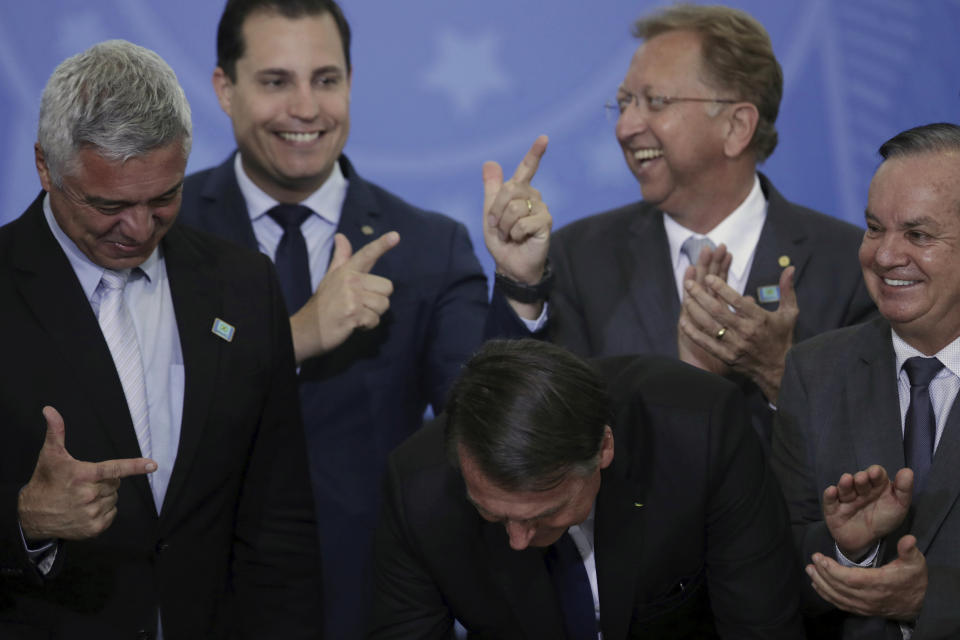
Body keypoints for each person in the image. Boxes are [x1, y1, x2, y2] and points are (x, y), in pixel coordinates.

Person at [177, 1, 550, 636]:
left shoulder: (429, 246)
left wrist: (518, 283)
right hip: (200, 600)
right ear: (224, 89)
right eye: (275, 81)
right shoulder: (166, 231)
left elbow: (485, 418)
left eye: (327, 80)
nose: (306, 108)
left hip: (376, 604)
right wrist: (295, 336)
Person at [0, 40, 322, 638]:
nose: (140, 229)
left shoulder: (244, 285)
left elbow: (279, 522)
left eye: (163, 198)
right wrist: (24, 519)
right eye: (109, 204)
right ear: (46, 168)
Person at [521, 4, 874, 442]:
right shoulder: (579, 256)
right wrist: (519, 282)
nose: (626, 127)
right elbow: (546, 434)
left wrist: (778, 372)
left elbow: (876, 444)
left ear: (736, 126)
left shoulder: (849, 265)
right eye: (625, 102)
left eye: (655, 102)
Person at [371, 339, 804, 639]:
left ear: (604, 447)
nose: (518, 540)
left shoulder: (699, 431)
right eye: (496, 515)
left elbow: (760, 627)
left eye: (543, 514)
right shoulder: (418, 489)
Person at [772, 122, 960, 638]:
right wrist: (850, 550)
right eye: (875, 227)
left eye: (917, 235)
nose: (883, 255)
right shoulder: (815, 372)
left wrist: (932, 599)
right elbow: (771, 576)